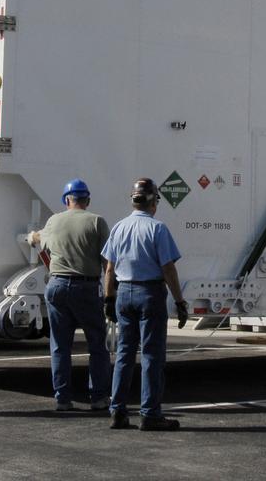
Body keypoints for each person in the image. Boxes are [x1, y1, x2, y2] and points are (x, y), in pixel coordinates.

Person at [102, 177, 189, 431]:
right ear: (153, 202)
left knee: (124, 354)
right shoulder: (157, 229)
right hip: (149, 292)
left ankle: (117, 411)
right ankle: (150, 414)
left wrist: (109, 298)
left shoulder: (119, 228)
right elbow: (168, 268)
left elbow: (109, 269)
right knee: (152, 355)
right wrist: (179, 301)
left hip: (124, 292)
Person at [30, 177, 112, 412]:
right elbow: (108, 261)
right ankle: (98, 397)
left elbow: (38, 239)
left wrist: (32, 236)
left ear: (67, 200)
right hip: (86, 288)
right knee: (97, 344)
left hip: (57, 286)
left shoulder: (54, 221)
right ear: (87, 200)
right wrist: (110, 295)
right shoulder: (96, 222)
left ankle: (63, 399)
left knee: (60, 345)